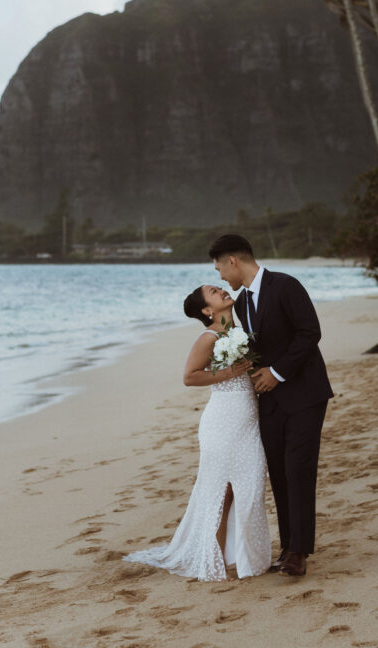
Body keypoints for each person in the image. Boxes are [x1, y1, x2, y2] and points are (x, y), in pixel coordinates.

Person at [124, 284, 271, 582]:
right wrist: (232, 372)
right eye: (215, 292)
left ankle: (248, 557)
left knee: (251, 487)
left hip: (249, 420)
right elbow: (189, 377)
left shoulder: (239, 332)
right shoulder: (209, 338)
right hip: (222, 421)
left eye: (219, 288)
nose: (222, 292)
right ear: (207, 311)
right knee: (222, 492)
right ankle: (215, 561)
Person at [209, 234, 333, 578]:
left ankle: (299, 552)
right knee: (278, 473)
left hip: (305, 394)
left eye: (219, 266)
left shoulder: (285, 286)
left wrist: (277, 372)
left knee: (299, 469)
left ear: (232, 261)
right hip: (269, 401)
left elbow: (310, 333)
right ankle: (288, 545)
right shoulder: (242, 303)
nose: (220, 276)